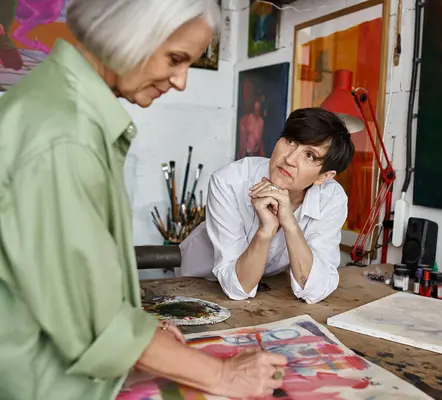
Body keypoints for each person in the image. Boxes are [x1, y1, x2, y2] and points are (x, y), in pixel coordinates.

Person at [0, 1, 287, 399]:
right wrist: (223, 376)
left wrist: (136, 325)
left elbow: (63, 277)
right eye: (175, 58)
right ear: (125, 35)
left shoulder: (62, 108)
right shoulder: (63, 135)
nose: (181, 81)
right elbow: (93, 327)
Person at [179, 107, 355, 304]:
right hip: (200, 283)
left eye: (309, 155)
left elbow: (315, 289)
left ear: (325, 176)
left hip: (266, 287)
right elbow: (237, 288)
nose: (289, 159)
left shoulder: (331, 198)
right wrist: (266, 230)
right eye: (290, 141)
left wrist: (289, 224)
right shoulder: (229, 181)